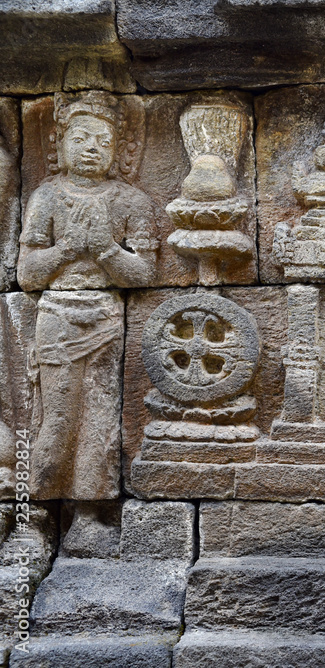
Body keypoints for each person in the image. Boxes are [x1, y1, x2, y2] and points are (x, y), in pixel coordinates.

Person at [17, 90, 157, 504]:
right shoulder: (47, 195)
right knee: (56, 419)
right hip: (58, 316)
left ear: (120, 152)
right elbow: (27, 274)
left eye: (102, 141)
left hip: (107, 319)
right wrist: (67, 248)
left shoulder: (131, 200)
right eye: (79, 139)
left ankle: (90, 512)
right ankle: (36, 511)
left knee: (100, 419)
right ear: (59, 145)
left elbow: (144, 273)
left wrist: (107, 250)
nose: (91, 149)